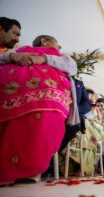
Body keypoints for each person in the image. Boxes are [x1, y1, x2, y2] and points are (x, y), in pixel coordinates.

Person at [0, 21, 77, 183]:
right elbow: (3, 58)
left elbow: (71, 66)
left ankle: (31, 170)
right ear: (45, 41)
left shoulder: (60, 57)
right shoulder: (20, 51)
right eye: (57, 43)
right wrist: (14, 56)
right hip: (11, 89)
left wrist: (41, 59)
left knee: (44, 116)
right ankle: (8, 170)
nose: (60, 47)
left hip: (47, 93)